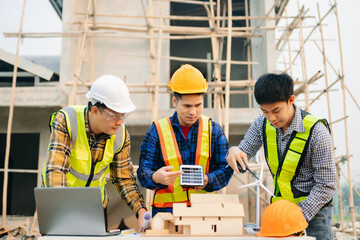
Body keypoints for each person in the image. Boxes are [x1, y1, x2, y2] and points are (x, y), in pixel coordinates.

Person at [226, 73, 336, 240]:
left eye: (276, 110)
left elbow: (326, 185)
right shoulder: (261, 123)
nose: (271, 118)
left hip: (314, 215)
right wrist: (234, 151)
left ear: (291, 100)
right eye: (265, 112)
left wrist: (297, 215)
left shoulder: (317, 132)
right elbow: (244, 150)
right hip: (282, 214)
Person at [42, 75, 147, 231]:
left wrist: (141, 211)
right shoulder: (67, 121)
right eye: (114, 115)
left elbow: (124, 178)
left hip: (95, 207)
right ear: (95, 110)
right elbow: (56, 170)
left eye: (123, 115)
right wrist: (62, 211)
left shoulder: (120, 135)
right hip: (60, 203)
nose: (120, 121)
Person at [137, 64, 233, 217]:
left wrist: (208, 179)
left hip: (204, 214)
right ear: (174, 101)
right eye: (187, 106)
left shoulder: (214, 130)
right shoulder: (157, 130)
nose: (193, 112)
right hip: (167, 216)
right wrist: (156, 177)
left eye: (198, 105)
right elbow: (142, 173)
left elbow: (226, 168)